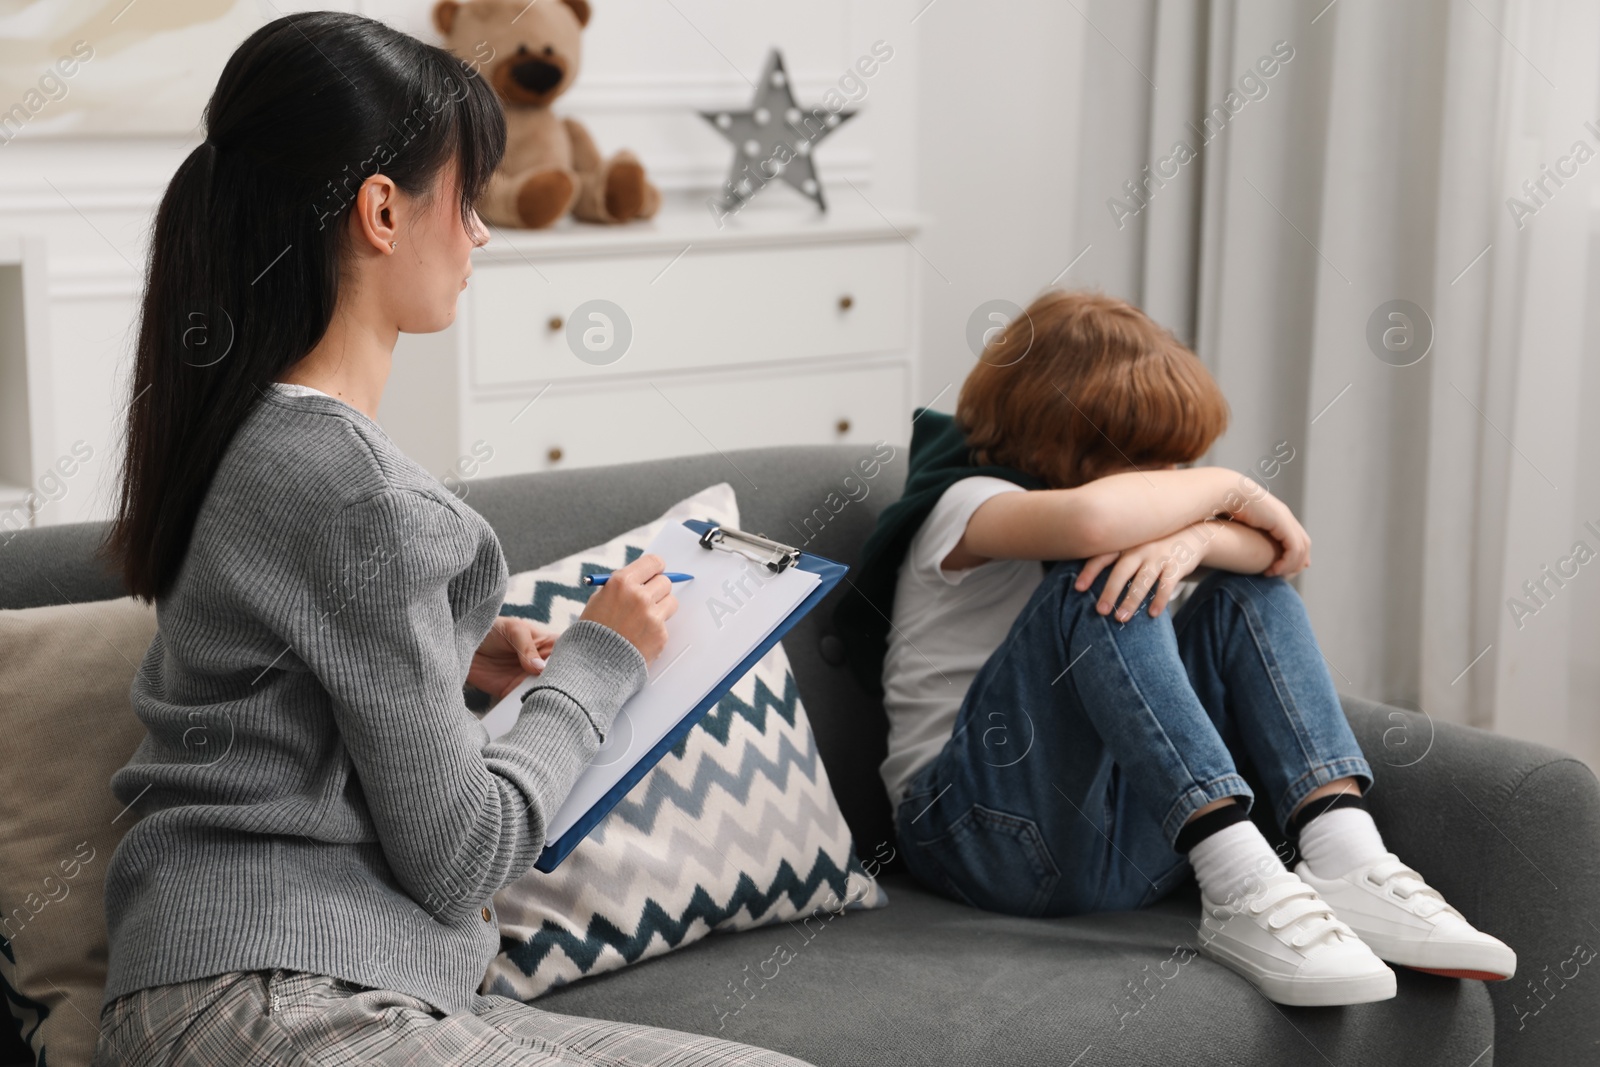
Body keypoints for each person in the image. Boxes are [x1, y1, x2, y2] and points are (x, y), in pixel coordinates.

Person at [91, 13, 814, 1066]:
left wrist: (442, 649)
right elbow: (466, 855)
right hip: (272, 997)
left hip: (296, 986)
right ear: (383, 209)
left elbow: (275, 677)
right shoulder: (349, 485)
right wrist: (599, 661)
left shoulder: (243, 431)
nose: (479, 234)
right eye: (466, 199)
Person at [832, 289, 1515, 1007]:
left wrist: (1197, 537)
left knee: (1240, 595)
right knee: (1099, 582)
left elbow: (1278, 557)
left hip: (1125, 846)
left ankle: (1345, 851)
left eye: (1179, 464)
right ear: (1056, 439)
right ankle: (1240, 877)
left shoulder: (1116, 518)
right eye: (1148, 462)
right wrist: (1230, 487)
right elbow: (1096, 521)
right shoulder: (965, 503)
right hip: (976, 836)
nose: (1173, 481)